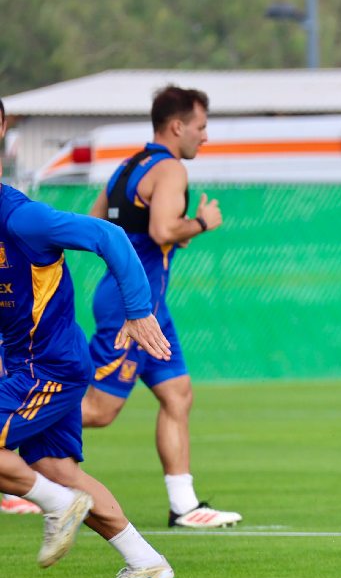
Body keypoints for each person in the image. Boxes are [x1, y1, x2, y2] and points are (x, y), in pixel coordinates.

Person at [1, 97, 176, 578]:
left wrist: (138, 310)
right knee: (56, 470)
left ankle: (56, 505)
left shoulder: (21, 218)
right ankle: (146, 563)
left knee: (54, 487)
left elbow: (109, 235)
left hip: (46, 367)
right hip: (33, 363)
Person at [81, 85, 241, 529]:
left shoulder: (127, 167)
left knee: (177, 394)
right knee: (98, 409)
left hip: (147, 304)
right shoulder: (170, 168)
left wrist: (162, 235)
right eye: (201, 127)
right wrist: (201, 223)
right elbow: (161, 230)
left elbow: (96, 227)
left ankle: (184, 506)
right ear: (177, 126)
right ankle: (9, 441)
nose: (204, 137)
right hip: (132, 307)